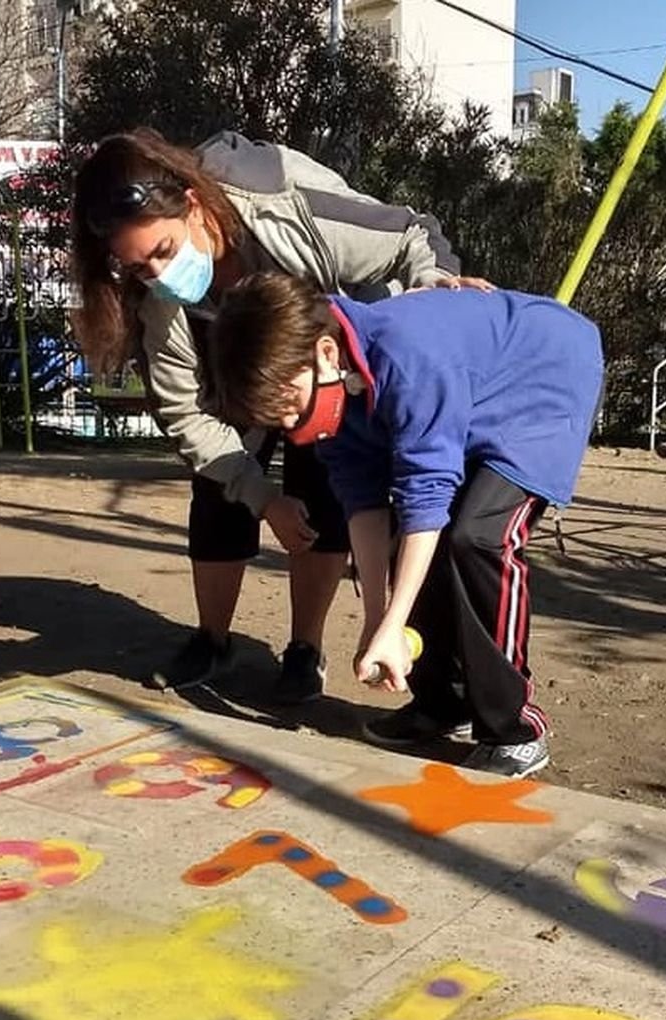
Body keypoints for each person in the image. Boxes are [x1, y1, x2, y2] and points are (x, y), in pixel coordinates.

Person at [70, 130, 480, 702]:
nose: (161, 277)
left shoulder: (285, 208)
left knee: (327, 481)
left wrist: (436, 292)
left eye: (163, 252)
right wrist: (263, 497)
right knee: (217, 487)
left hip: (330, 355)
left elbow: (411, 235)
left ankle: (305, 650)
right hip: (240, 373)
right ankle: (212, 639)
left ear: (193, 204)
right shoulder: (162, 299)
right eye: (140, 270)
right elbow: (185, 412)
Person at [207, 273, 604, 778]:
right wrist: (379, 620)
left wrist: (396, 622)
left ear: (327, 354)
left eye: (289, 402)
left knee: (477, 536)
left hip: (545, 378)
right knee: (413, 543)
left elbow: (427, 494)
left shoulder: (407, 358)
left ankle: (516, 727)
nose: (289, 423)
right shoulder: (330, 391)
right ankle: (444, 701)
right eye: (275, 416)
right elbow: (365, 507)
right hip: (470, 390)